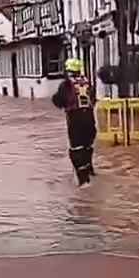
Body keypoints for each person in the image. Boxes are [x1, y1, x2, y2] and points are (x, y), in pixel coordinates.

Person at [52, 58, 97, 187]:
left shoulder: (66, 84)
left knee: (76, 149)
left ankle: (83, 181)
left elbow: (58, 101)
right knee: (87, 146)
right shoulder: (87, 83)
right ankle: (90, 170)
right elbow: (93, 99)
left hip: (75, 118)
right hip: (89, 118)